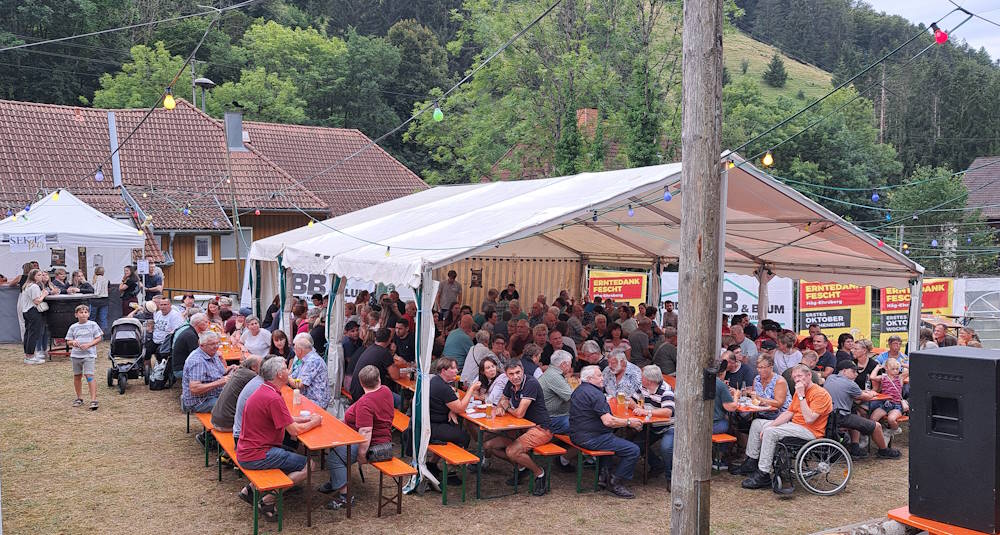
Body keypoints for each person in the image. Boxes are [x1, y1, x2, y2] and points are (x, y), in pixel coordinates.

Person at [236, 357, 321, 521]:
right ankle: (268, 500)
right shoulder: (273, 398)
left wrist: (305, 419)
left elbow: (286, 419)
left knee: (288, 453)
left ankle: (250, 490)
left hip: (247, 449)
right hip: (257, 454)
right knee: (309, 465)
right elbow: (294, 432)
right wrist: (315, 422)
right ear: (279, 374)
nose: (289, 370)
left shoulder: (265, 390)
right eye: (285, 368)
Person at [734, 364, 833, 489]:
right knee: (757, 424)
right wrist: (770, 424)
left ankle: (764, 473)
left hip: (810, 431)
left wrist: (802, 396)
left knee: (771, 432)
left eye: (800, 376)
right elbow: (788, 413)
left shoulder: (820, 394)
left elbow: (809, 419)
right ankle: (751, 462)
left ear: (809, 376)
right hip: (795, 425)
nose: (797, 380)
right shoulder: (799, 392)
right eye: (795, 377)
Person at [319, 364, 395, 509]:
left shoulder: (366, 403)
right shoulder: (385, 391)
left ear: (361, 383)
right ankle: (337, 481)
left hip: (373, 444)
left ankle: (345, 497)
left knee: (335, 459)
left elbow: (366, 432)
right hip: (382, 438)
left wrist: (361, 455)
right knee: (333, 445)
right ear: (379, 379)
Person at [570, 365, 643, 498]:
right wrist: (628, 422)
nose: (602, 378)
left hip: (577, 435)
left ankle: (603, 476)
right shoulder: (596, 394)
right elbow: (608, 422)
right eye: (599, 375)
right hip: (592, 438)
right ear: (590, 378)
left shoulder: (578, 390)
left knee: (611, 438)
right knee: (633, 450)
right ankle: (615, 482)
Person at [486, 360, 554, 496]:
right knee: (488, 446)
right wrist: (501, 406)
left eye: (518, 372)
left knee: (512, 451)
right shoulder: (510, 383)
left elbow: (519, 413)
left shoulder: (531, 383)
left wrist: (507, 407)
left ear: (523, 370)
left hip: (540, 429)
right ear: (506, 374)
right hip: (521, 428)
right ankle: (522, 467)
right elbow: (503, 400)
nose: (515, 376)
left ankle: (540, 473)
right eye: (511, 374)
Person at [824, 360, 900, 459]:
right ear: (844, 371)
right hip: (841, 417)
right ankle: (883, 450)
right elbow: (866, 397)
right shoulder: (850, 384)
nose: (856, 374)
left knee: (856, 413)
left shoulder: (830, 378)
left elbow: (851, 392)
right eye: (853, 371)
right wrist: (872, 393)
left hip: (829, 416)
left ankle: (855, 446)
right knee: (876, 425)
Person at [181, 331, 237, 415]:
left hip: (213, 395)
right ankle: (226, 427)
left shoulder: (211, 353)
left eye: (217, 343)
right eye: (212, 344)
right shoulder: (197, 361)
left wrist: (231, 368)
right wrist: (219, 382)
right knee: (235, 405)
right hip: (200, 401)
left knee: (241, 397)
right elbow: (194, 389)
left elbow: (220, 373)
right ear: (202, 345)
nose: (216, 347)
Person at [428, 357, 478, 451]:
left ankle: (433, 462)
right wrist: (471, 389)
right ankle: (462, 462)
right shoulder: (443, 388)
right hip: (432, 427)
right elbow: (460, 408)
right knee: (464, 437)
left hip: (429, 422)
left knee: (455, 426)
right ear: (444, 371)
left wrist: (451, 409)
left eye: (456, 368)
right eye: (453, 368)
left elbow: (452, 398)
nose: (456, 371)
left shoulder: (435, 380)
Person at [210, 355, 263, 432]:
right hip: (227, 424)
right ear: (254, 367)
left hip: (216, 419)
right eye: (261, 365)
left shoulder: (240, 371)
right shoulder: (252, 376)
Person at [66, 304, 103, 410]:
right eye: (81, 312)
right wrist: (73, 342)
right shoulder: (73, 327)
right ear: (76, 315)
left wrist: (89, 344)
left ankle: (93, 400)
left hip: (89, 355)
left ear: (89, 314)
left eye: (86, 312)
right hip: (76, 355)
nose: (83, 314)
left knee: (89, 375)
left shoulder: (93, 325)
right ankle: (79, 398)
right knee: (77, 376)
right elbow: (68, 341)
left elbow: (98, 338)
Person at [349, 328, 400, 405]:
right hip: (366, 393)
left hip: (355, 390)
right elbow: (395, 376)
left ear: (376, 338)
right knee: (400, 401)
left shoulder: (371, 348)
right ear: (389, 339)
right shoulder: (384, 353)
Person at [287, 333, 331, 408]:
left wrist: (286, 377)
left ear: (300, 351)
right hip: (308, 399)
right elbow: (293, 376)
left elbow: (299, 384)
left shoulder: (312, 361)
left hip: (316, 402)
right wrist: (288, 377)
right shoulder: (305, 360)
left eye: (295, 350)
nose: (294, 353)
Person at [538, 350, 574, 436]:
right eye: (570, 364)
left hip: (550, 416)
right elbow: (572, 397)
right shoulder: (554, 376)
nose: (570, 368)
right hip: (551, 419)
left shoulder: (551, 372)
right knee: (583, 422)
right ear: (564, 364)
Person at [869, 357, 907, 436]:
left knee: (891, 419)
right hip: (885, 404)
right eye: (893, 369)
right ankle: (877, 433)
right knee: (873, 419)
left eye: (897, 369)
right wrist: (877, 368)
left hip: (897, 404)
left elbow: (912, 369)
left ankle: (895, 430)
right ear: (886, 368)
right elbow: (872, 377)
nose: (896, 371)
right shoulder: (883, 377)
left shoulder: (900, 377)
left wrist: (902, 364)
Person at [21, 269, 50, 365]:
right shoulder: (34, 286)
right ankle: (30, 356)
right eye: (39, 275)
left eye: (41, 275)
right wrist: (44, 294)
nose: (41, 276)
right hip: (33, 311)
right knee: (34, 333)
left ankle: (29, 354)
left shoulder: (27, 285)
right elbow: (37, 301)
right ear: (33, 276)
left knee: (29, 333)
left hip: (26, 311)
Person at [171, 313, 211, 381]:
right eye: (206, 322)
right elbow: (199, 356)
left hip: (182, 365)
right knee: (212, 370)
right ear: (199, 324)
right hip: (180, 369)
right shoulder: (190, 336)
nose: (208, 324)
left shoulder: (190, 331)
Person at [150, 296, 184, 367]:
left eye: (165, 304)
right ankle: (147, 371)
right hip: (155, 339)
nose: (163, 307)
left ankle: (161, 371)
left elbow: (177, 330)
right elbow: (154, 326)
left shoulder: (175, 315)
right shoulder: (158, 313)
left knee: (159, 352)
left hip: (166, 342)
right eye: (161, 305)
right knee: (145, 350)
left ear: (170, 305)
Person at [89, 266, 109, 332]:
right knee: (103, 318)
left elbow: (96, 291)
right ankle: (103, 334)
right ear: (103, 272)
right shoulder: (106, 279)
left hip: (95, 300)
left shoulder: (95, 279)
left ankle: (91, 332)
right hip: (104, 300)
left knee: (92, 318)